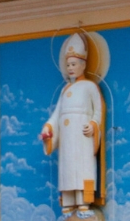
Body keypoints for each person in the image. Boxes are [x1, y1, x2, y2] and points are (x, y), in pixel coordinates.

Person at [40, 32, 106, 211]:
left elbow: (99, 110)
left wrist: (93, 125)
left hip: (82, 136)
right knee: (68, 170)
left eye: (73, 64)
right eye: (68, 65)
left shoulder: (90, 87)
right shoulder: (64, 90)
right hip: (67, 139)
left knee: (82, 169)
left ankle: (83, 201)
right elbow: (56, 115)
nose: (70, 68)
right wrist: (48, 128)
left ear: (83, 65)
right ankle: (69, 202)